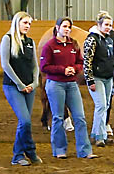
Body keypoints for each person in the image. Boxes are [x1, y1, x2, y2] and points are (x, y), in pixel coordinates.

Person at [40, 17, 93, 160]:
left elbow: (80, 62)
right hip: (55, 84)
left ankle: (85, 150)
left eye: (69, 27)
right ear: (57, 28)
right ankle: (59, 149)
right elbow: (44, 67)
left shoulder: (73, 45)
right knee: (58, 118)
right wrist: (62, 70)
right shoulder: (50, 46)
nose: (67, 29)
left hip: (71, 84)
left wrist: (74, 69)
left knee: (80, 117)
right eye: (64, 26)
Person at [83, 11, 114, 147]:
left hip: (107, 78)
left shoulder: (109, 41)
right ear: (99, 25)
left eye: (110, 25)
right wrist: (90, 80)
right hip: (97, 77)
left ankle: (97, 134)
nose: (108, 27)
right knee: (100, 106)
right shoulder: (92, 39)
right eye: (106, 25)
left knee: (105, 106)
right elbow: (87, 61)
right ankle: (100, 136)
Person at [0, 11, 40, 165]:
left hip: (29, 87)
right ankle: (22, 153)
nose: (27, 26)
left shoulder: (30, 42)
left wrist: (34, 82)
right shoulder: (7, 39)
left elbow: (35, 66)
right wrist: (19, 84)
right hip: (13, 86)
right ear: (17, 23)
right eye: (25, 23)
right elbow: (5, 64)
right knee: (25, 121)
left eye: (29, 24)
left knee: (26, 121)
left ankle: (25, 153)